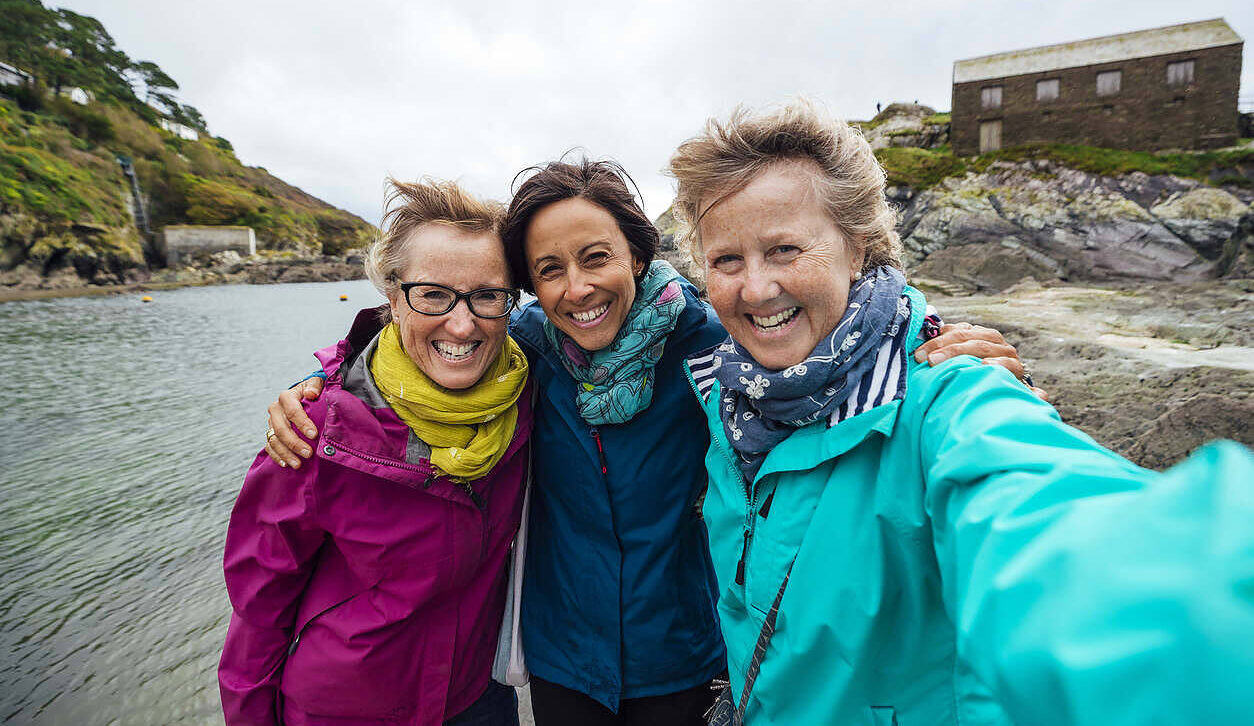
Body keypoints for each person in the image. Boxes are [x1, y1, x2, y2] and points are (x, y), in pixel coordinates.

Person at [264, 160, 1034, 725]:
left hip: (683, 656)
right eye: (549, 270)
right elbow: (420, 346)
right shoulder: (527, 347)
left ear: (637, 253)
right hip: (563, 657)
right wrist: (320, 384)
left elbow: (826, 340)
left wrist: (929, 337)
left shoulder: (709, 340)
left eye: (596, 257)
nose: (578, 287)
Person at [666, 101, 1254, 725]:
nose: (755, 289)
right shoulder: (727, 397)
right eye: (727, 260)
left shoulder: (949, 393)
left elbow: (1048, 524)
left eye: (785, 249)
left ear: (858, 249)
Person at [220, 179, 533, 726]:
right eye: (432, 294)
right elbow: (258, 610)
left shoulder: (525, 393)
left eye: (486, 294)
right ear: (392, 298)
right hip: (344, 710)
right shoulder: (315, 431)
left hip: (476, 701)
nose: (462, 323)